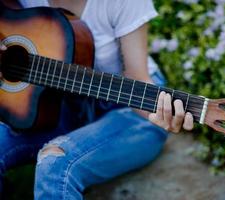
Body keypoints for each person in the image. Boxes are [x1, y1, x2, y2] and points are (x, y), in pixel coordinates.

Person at [0, 0, 194, 199]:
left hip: (130, 104)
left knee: (55, 164)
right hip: (55, 105)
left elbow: (137, 76)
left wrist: (163, 115)